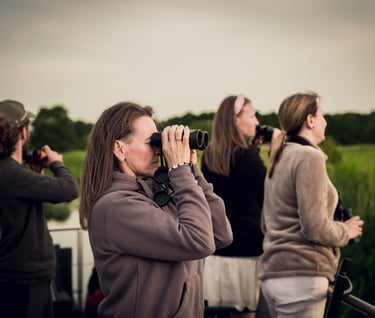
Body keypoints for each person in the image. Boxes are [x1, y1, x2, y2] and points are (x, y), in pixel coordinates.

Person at [78, 101, 233, 318]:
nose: (159, 149)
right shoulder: (115, 207)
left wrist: (192, 170)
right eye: (152, 142)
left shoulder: (157, 189)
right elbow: (199, 241)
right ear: (119, 149)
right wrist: (179, 171)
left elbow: (220, 234)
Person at [258, 91, 364, 318]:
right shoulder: (309, 157)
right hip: (301, 277)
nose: (325, 122)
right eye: (322, 115)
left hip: (273, 274)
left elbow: (265, 223)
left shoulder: (279, 155)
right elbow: (314, 227)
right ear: (310, 120)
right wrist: (347, 230)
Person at [201, 94, 279, 318]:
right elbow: (271, 192)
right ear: (235, 119)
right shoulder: (245, 157)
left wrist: (253, 149)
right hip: (247, 252)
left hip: (218, 253)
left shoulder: (210, 156)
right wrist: (275, 150)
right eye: (252, 115)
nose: (256, 122)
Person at [0, 100, 79, 318]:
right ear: (22, 133)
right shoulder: (11, 173)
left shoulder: (12, 174)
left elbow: (17, 212)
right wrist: (57, 163)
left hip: (13, 276)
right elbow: (70, 189)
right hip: (25, 280)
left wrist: (36, 175)